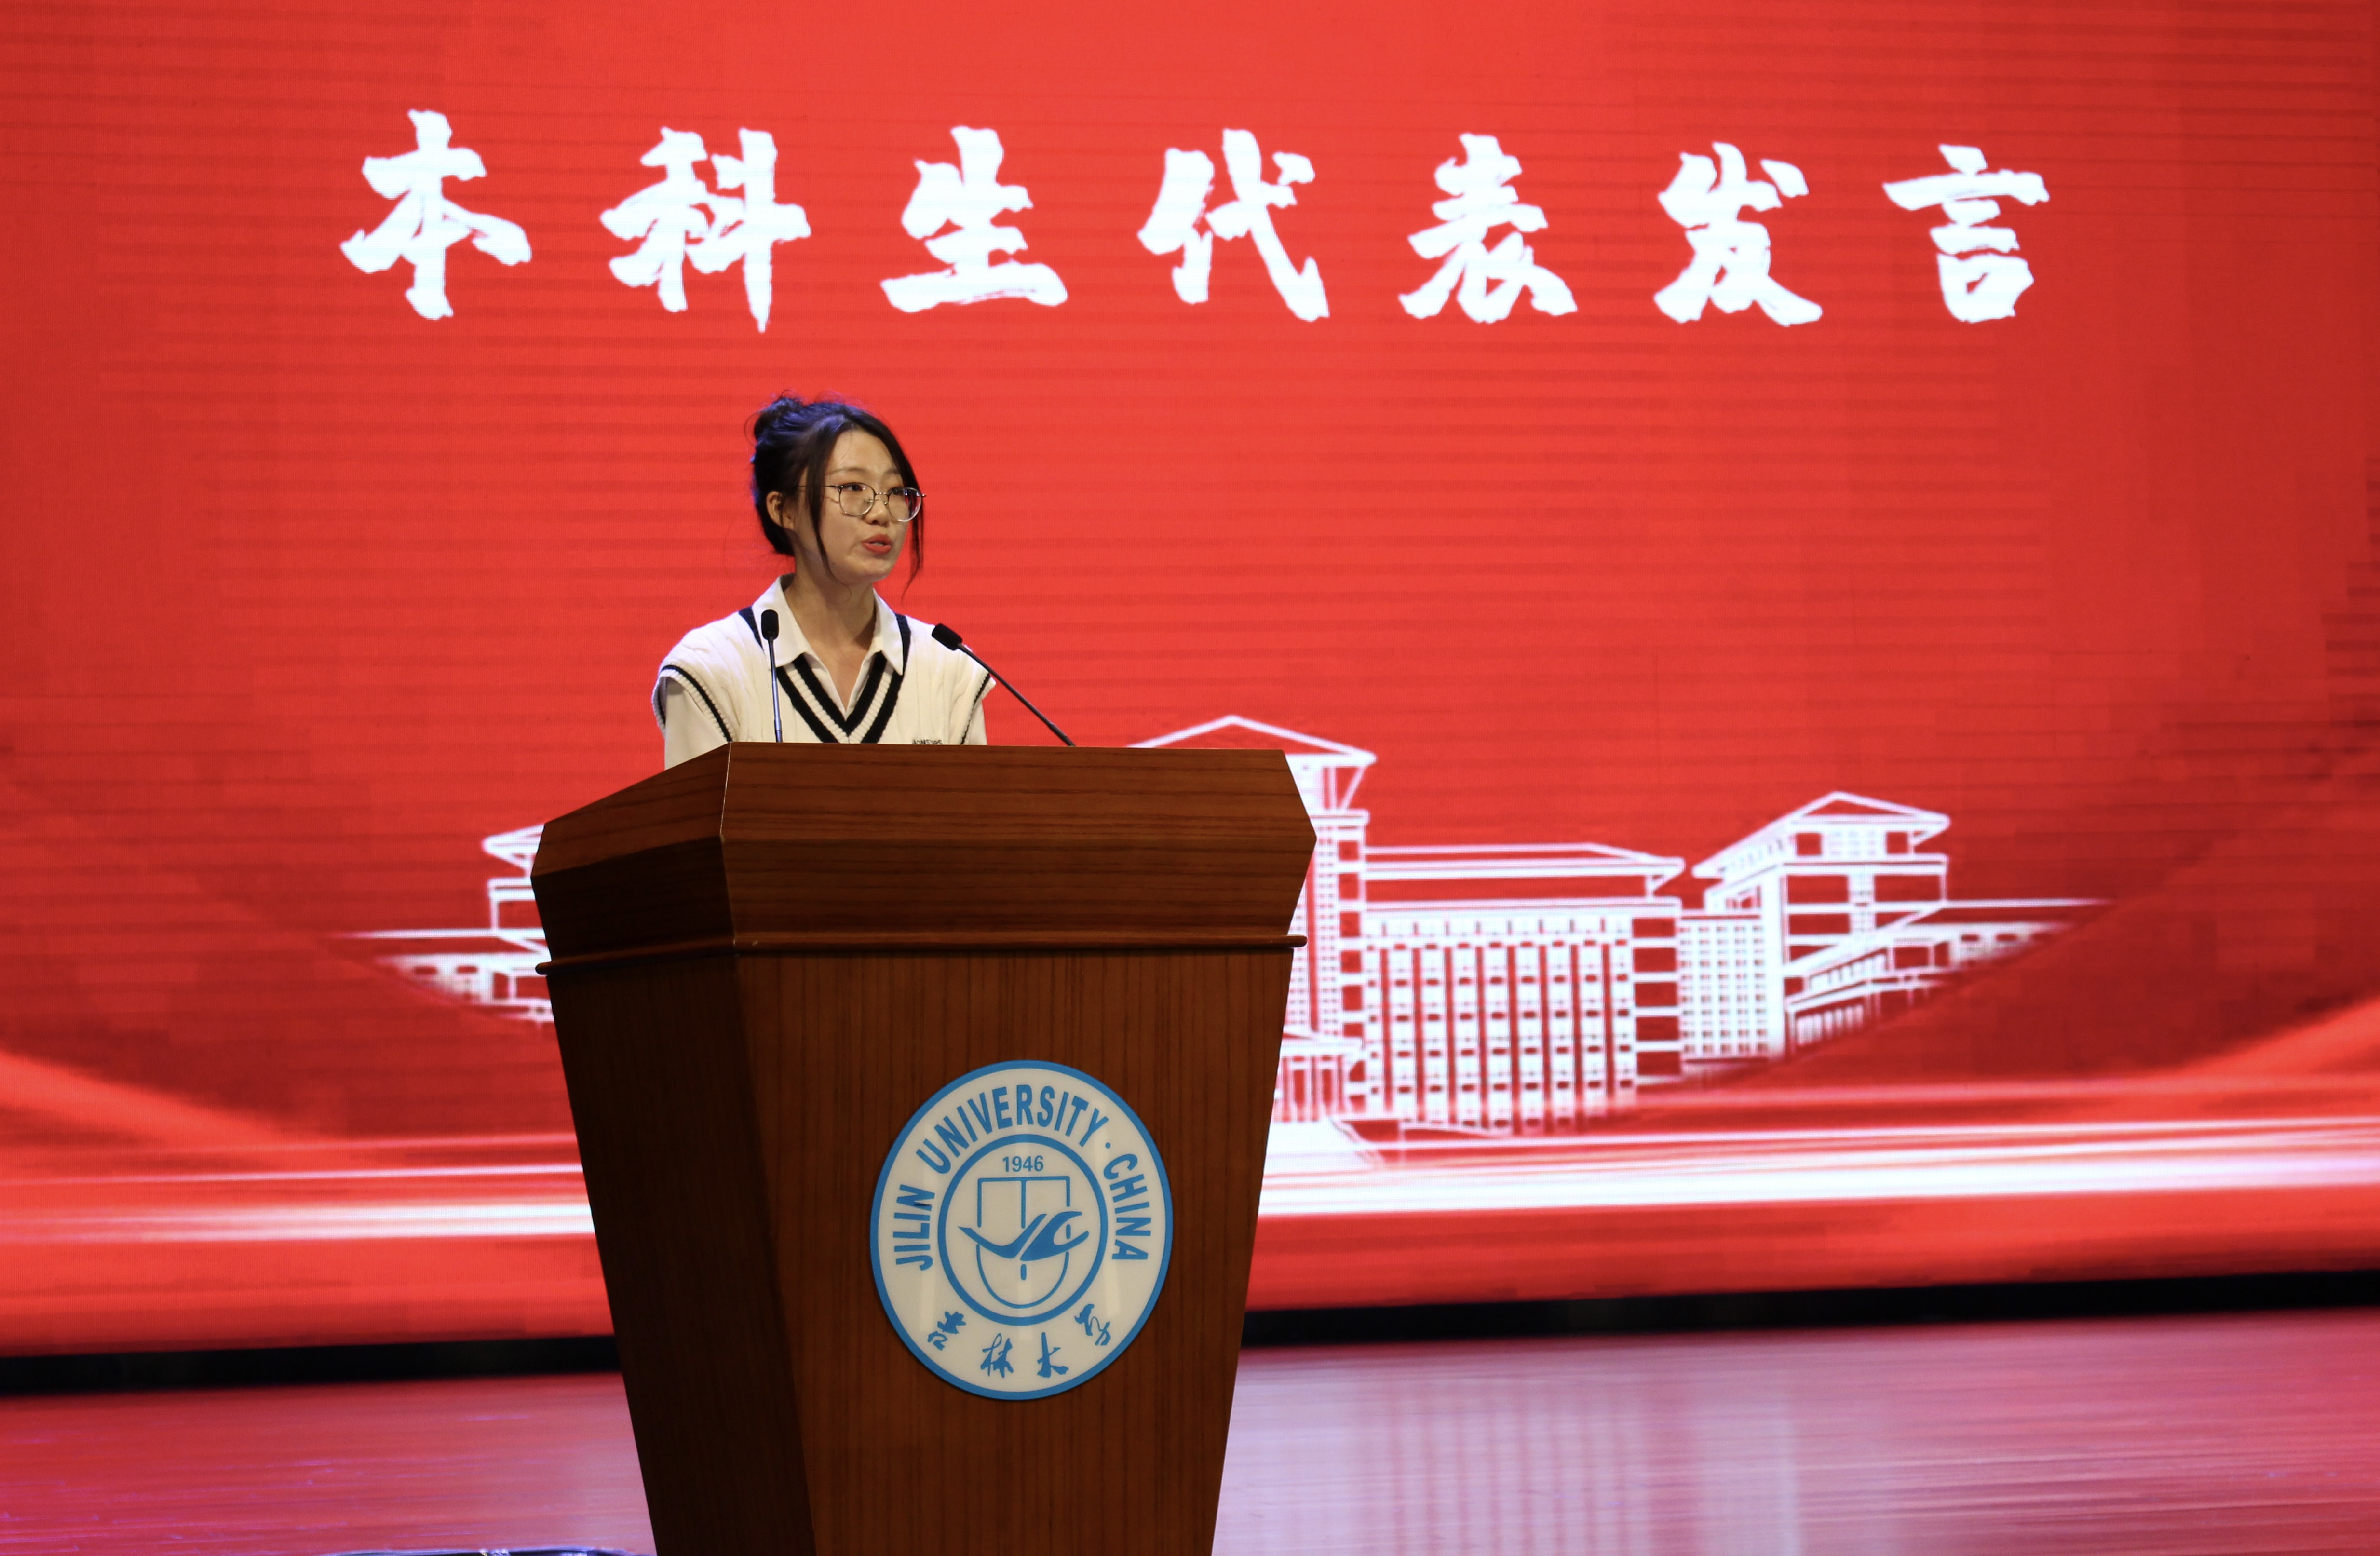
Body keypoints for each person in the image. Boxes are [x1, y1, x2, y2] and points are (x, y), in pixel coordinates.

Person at [654, 397, 993, 766]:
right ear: (784, 510)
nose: (882, 513)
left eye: (896, 492)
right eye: (853, 488)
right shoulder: (711, 670)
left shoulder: (949, 670)